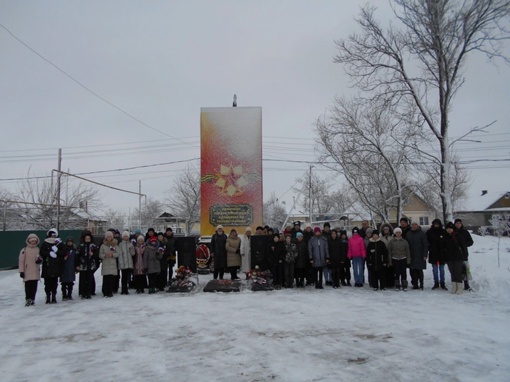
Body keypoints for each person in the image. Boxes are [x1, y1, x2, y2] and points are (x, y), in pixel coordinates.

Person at [40, 228, 64, 304]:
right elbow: (42, 252)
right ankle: (48, 296)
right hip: (47, 266)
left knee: (54, 282)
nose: (52, 237)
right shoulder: (45, 243)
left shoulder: (59, 243)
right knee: (47, 283)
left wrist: (57, 251)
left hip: (56, 266)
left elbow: (63, 252)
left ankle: (54, 296)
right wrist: (48, 253)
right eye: (51, 235)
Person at [444, 222, 468, 295]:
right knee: (452, 272)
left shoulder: (458, 236)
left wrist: (465, 256)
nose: (449, 230)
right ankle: (454, 287)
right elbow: (443, 248)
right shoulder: (445, 237)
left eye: (450, 228)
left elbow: (464, 247)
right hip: (449, 258)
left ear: (453, 229)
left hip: (458, 257)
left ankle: (459, 288)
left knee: (458, 272)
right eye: (447, 229)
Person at [18, 233, 41, 306]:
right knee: (28, 286)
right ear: (29, 241)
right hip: (27, 271)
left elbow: (41, 257)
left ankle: (32, 299)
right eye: (32, 241)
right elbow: (21, 261)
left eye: (35, 241)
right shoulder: (24, 250)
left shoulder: (38, 249)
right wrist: (21, 271)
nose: (33, 242)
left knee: (34, 286)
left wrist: (40, 260)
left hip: (35, 271)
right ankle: (28, 299)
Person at [406, 222, 428, 290]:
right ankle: (415, 284)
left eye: (415, 225)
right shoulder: (408, 233)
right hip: (411, 255)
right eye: (413, 225)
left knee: (419, 270)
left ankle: (421, 284)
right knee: (412, 270)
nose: (414, 226)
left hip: (419, 254)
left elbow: (425, 244)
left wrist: (425, 254)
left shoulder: (421, 233)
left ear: (418, 226)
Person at [426, 219, 447, 290]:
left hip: (442, 253)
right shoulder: (430, 231)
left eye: (437, 224)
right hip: (433, 253)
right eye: (435, 224)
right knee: (435, 269)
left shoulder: (443, 231)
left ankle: (442, 283)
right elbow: (427, 241)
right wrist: (430, 248)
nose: (436, 225)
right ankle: (436, 282)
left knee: (442, 269)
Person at [76, 232, 98, 299]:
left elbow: (97, 256)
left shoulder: (93, 246)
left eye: (89, 238)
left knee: (90, 280)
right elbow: (77, 256)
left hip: (91, 266)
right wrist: (77, 265)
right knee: (83, 280)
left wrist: (93, 255)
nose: (87, 240)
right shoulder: (81, 246)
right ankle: (83, 293)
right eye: (86, 238)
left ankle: (89, 293)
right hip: (83, 266)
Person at [454, 218, 474, 291]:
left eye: (459, 223)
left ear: (461, 224)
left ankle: (466, 284)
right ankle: (458, 284)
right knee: (457, 269)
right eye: (456, 223)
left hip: (464, 253)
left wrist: (464, 244)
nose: (458, 224)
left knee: (465, 269)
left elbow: (471, 242)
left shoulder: (465, 232)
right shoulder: (453, 232)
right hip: (455, 254)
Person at [99, 231, 119, 297]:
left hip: (112, 264)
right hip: (105, 264)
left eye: (110, 237)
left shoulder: (114, 245)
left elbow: (118, 253)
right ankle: (105, 291)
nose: (109, 238)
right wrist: (105, 255)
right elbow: (100, 254)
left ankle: (110, 291)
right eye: (108, 237)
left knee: (111, 279)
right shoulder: (103, 245)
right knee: (105, 279)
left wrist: (112, 254)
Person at [118, 231, 135, 295]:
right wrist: (121, 263)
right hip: (123, 263)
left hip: (129, 263)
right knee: (123, 277)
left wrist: (131, 249)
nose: (125, 237)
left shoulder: (130, 244)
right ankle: (123, 289)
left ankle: (126, 289)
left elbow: (133, 253)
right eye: (124, 236)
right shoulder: (120, 244)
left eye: (127, 236)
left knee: (128, 276)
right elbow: (119, 255)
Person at [379, 223, 394, 288]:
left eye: (387, 229)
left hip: (391, 255)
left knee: (391, 270)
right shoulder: (381, 238)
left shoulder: (392, 238)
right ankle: (384, 283)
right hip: (383, 256)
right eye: (384, 229)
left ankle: (391, 283)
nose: (386, 230)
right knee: (384, 270)